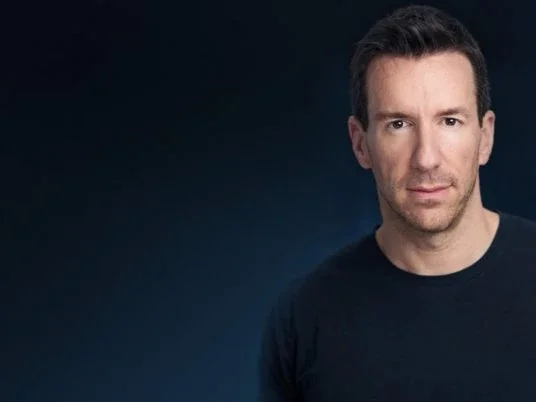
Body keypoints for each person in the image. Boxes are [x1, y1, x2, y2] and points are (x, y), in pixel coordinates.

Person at [258, 4, 536, 402]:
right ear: (361, 144)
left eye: (450, 121)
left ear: (485, 137)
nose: (426, 158)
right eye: (398, 124)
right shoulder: (303, 317)